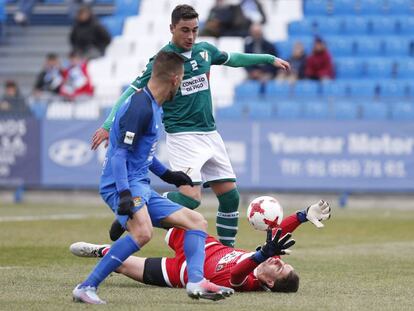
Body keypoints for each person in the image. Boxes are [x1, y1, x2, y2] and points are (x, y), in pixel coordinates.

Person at [91, 4, 290, 248]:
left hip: (210, 133)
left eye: (195, 30)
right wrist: (108, 124)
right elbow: (130, 92)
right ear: (172, 28)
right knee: (191, 197)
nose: (190, 36)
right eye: (185, 30)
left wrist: (269, 59)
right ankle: (133, 211)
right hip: (183, 135)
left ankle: (227, 254)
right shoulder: (162, 61)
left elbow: (234, 59)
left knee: (230, 197)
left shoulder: (205, 51)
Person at [72, 51, 235, 305]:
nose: (181, 85)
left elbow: (144, 154)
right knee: (142, 233)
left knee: (196, 222)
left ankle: (196, 282)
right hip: (120, 183)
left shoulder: (153, 106)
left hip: (140, 185)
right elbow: (119, 157)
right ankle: (86, 287)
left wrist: (169, 175)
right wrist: (124, 194)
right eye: (181, 80)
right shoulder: (140, 108)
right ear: (174, 78)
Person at [71, 200, 331, 293]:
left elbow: (235, 274)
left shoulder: (252, 282)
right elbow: (277, 234)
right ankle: (128, 219)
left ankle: (102, 250)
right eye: (282, 261)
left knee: (123, 265)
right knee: (172, 210)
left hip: (181, 272)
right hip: (201, 242)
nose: (278, 261)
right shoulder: (263, 258)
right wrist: (302, 216)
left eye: (280, 268)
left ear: (271, 283)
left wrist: (263, 253)